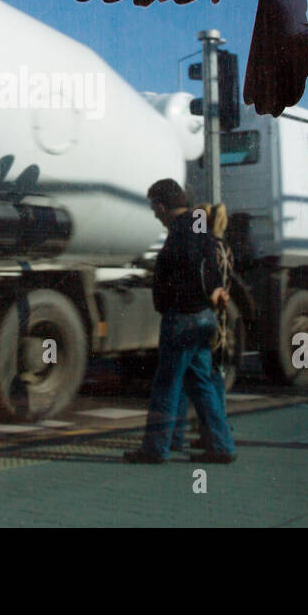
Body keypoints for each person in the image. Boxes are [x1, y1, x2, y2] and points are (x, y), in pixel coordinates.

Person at [124, 180, 236, 464]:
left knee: (167, 384)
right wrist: (212, 289)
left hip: (183, 317)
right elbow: (205, 258)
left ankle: (155, 448)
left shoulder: (181, 231)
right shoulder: (197, 224)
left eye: (154, 208)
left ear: (161, 206)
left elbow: (188, 262)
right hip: (203, 318)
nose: (154, 215)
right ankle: (222, 446)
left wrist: (170, 289)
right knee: (200, 382)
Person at [171, 202, 233, 453]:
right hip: (221, 322)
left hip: (204, 314)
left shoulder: (206, 247)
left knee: (191, 378)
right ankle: (215, 432)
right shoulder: (226, 248)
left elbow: (202, 281)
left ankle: (184, 434)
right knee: (212, 377)